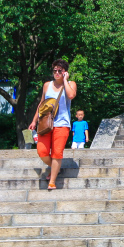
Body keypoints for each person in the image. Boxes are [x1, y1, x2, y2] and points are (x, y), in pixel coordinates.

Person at [29, 59, 77, 191]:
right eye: (55, 70)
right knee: (42, 151)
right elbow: (41, 104)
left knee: (57, 153)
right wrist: (34, 121)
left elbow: (71, 95)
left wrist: (65, 80)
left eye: (60, 71)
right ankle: (56, 167)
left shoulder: (71, 84)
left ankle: (52, 181)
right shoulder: (47, 85)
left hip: (62, 124)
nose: (56, 73)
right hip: (46, 123)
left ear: (65, 72)